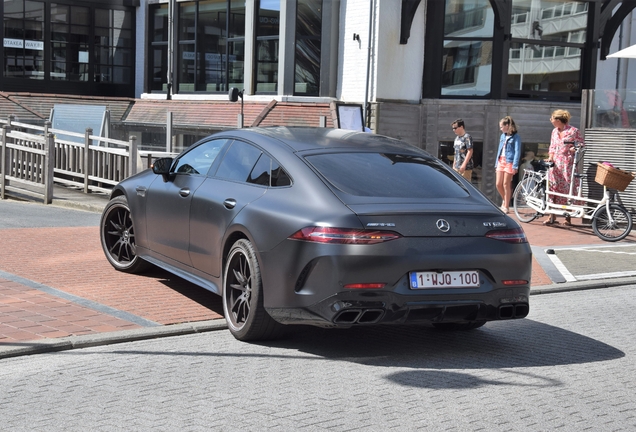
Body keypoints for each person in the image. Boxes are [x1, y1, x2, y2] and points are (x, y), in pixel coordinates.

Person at [544, 109, 585, 226]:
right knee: (553, 187)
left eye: (552, 119)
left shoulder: (573, 131)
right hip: (555, 163)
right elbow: (552, 146)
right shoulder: (554, 131)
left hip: (567, 163)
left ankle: (567, 217)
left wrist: (575, 148)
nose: (551, 121)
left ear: (558, 120)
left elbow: (581, 144)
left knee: (568, 188)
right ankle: (552, 216)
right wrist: (550, 157)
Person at [494, 116, 522, 213]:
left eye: (502, 127)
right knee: (498, 184)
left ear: (507, 126)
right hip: (501, 161)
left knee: (506, 184)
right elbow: (499, 149)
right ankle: (505, 200)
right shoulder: (502, 136)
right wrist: (496, 163)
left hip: (509, 161)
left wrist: (515, 165)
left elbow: (517, 151)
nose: (500, 129)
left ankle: (506, 206)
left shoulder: (516, 137)